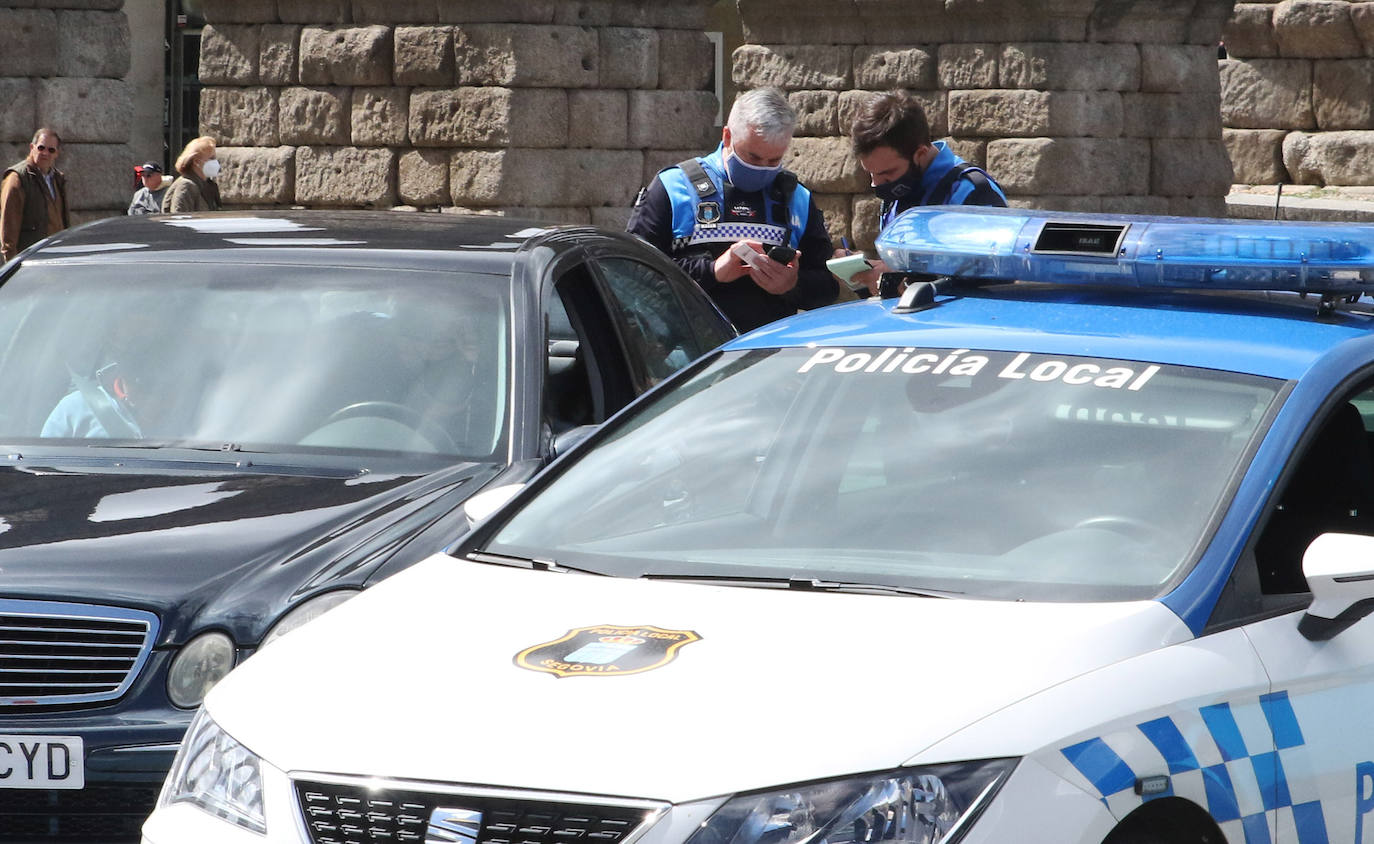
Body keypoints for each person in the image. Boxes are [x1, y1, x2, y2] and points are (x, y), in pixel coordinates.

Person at [626, 87, 836, 332]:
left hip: (768, 353)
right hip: (686, 351)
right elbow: (631, 273)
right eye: (753, 158)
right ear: (727, 137)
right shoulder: (674, 187)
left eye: (773, 161)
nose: (762, 169)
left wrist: (792, 285)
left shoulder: (796, 198)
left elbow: (827, 287)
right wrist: (712, 271)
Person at [840, 91, 1007, 297]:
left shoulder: (971, 191)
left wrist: (904, 279)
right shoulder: (901, 189)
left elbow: (998, 277)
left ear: (920, 153)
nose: (876, 183)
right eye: (871, 173)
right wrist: (870, 271)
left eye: (887, 174)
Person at [1, 128, 69, 263]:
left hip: (57, 257)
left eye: (51, 150)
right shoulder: (17, 178)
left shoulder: (57, 179)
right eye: (41, 147)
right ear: (32, 147)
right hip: (31, 261)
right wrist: (13, 266)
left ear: (57, 154)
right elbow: (8, 232)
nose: (45, 153)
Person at [161, 136, 222, 213]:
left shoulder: (207, 185)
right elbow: (179, 218)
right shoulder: (186, 186)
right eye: (211, 158)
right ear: (196, 161)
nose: (215, 162)